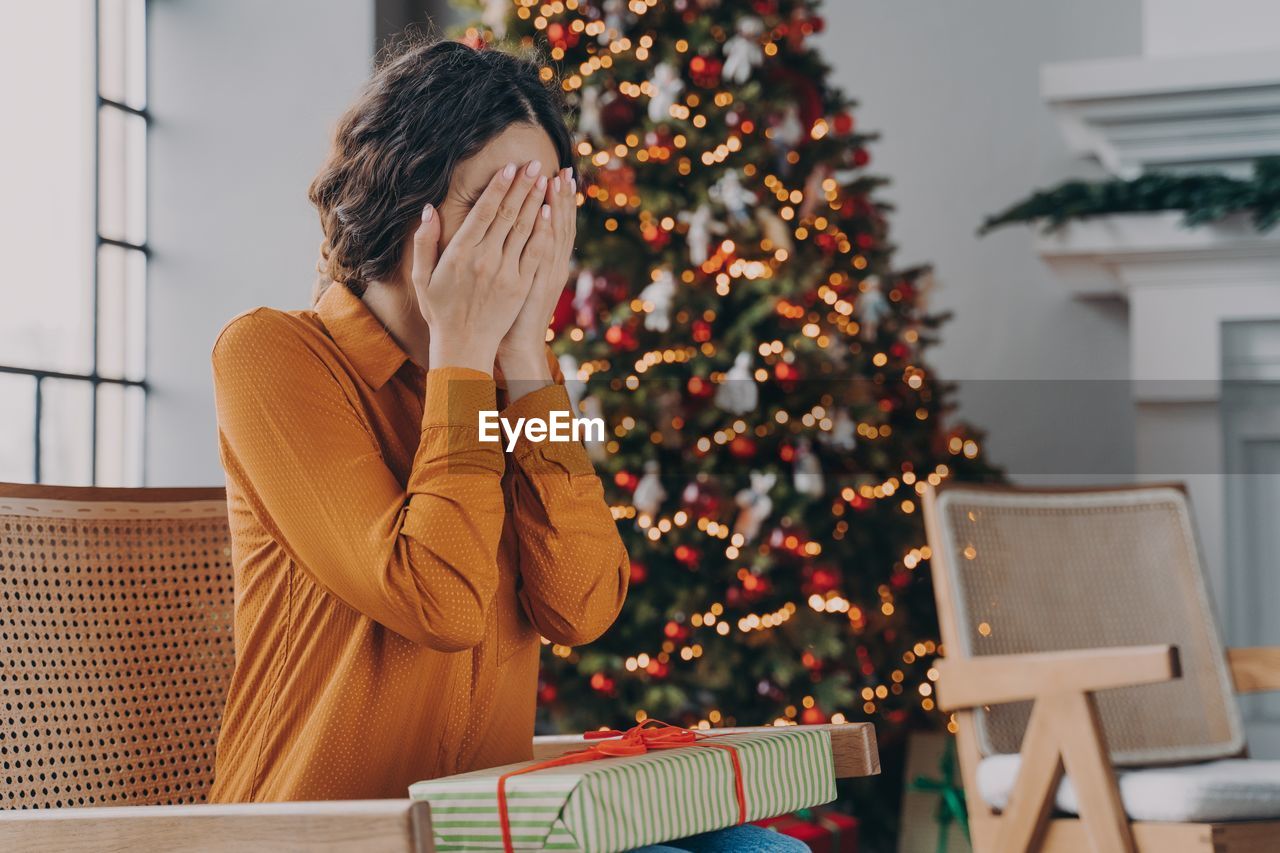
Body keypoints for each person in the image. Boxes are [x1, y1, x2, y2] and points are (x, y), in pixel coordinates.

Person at [207, 37, 804, 852]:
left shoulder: (510, 370)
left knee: (762, 851)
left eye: (545, 206)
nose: (526, 236)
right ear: (403, 198)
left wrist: (523, 356)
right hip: (328, 834)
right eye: (498, 203)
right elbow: (440, 603)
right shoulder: (272, 356)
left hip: (484, 830)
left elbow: (583, 604)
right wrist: (461, 348)